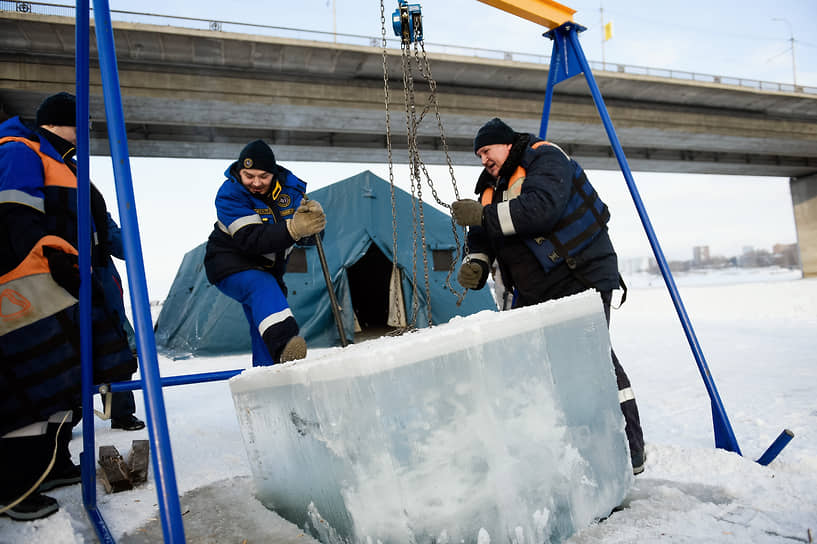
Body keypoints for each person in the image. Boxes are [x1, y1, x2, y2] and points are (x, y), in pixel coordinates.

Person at [451, 117, 646, 475]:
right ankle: (564, 447)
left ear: (507, 144)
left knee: (593, 361)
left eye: (486, 151)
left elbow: (542, 209)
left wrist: (483, 213)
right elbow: (482, 234)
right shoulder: (491, 187)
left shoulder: (545, 158)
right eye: (478, 155)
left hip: (579, 275)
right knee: (536, 367)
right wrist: (476, 262)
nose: (483, 160)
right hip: (534, 289)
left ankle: (629, 450)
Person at [0, 92, 136, 520]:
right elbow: (13, 216)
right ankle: (12, 489)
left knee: (66, 384)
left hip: (71, 284)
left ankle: (51, 467)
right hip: (34, 288)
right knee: (36, 385)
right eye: (82, 122)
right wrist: (51, 254)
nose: (87, 130)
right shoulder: (21, 151)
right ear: (63, 122)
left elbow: (96, 226)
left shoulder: (70, 166)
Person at [204, 140, 325, 366]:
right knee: (260, 286)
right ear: (239, 172)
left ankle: (266, 375)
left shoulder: (291, 192)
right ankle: (285, 345)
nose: (256, 183)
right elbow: (250, 238)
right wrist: (293, 228)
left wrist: (313, 224)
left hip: (271, 270)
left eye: (263, 176)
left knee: (264, 322)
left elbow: (307, 238)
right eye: (249, 176)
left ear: (273, 174)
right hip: (229, 263)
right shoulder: (230, 194)